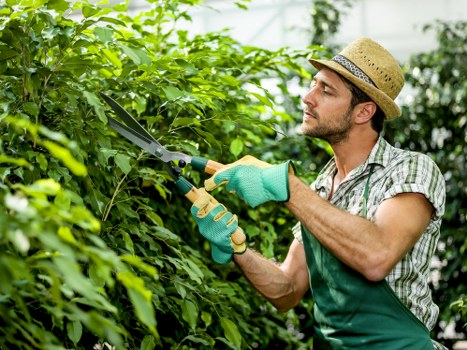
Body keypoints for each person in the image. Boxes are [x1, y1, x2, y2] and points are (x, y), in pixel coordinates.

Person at [189, 37, 446, 349]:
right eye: (314, 85)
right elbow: (287, 290)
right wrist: (236, 246)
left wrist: (288, 186)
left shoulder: (411, 170)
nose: (307, 98)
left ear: (363, 112)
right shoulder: (321, 188)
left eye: (326, 91)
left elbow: (377, 256)